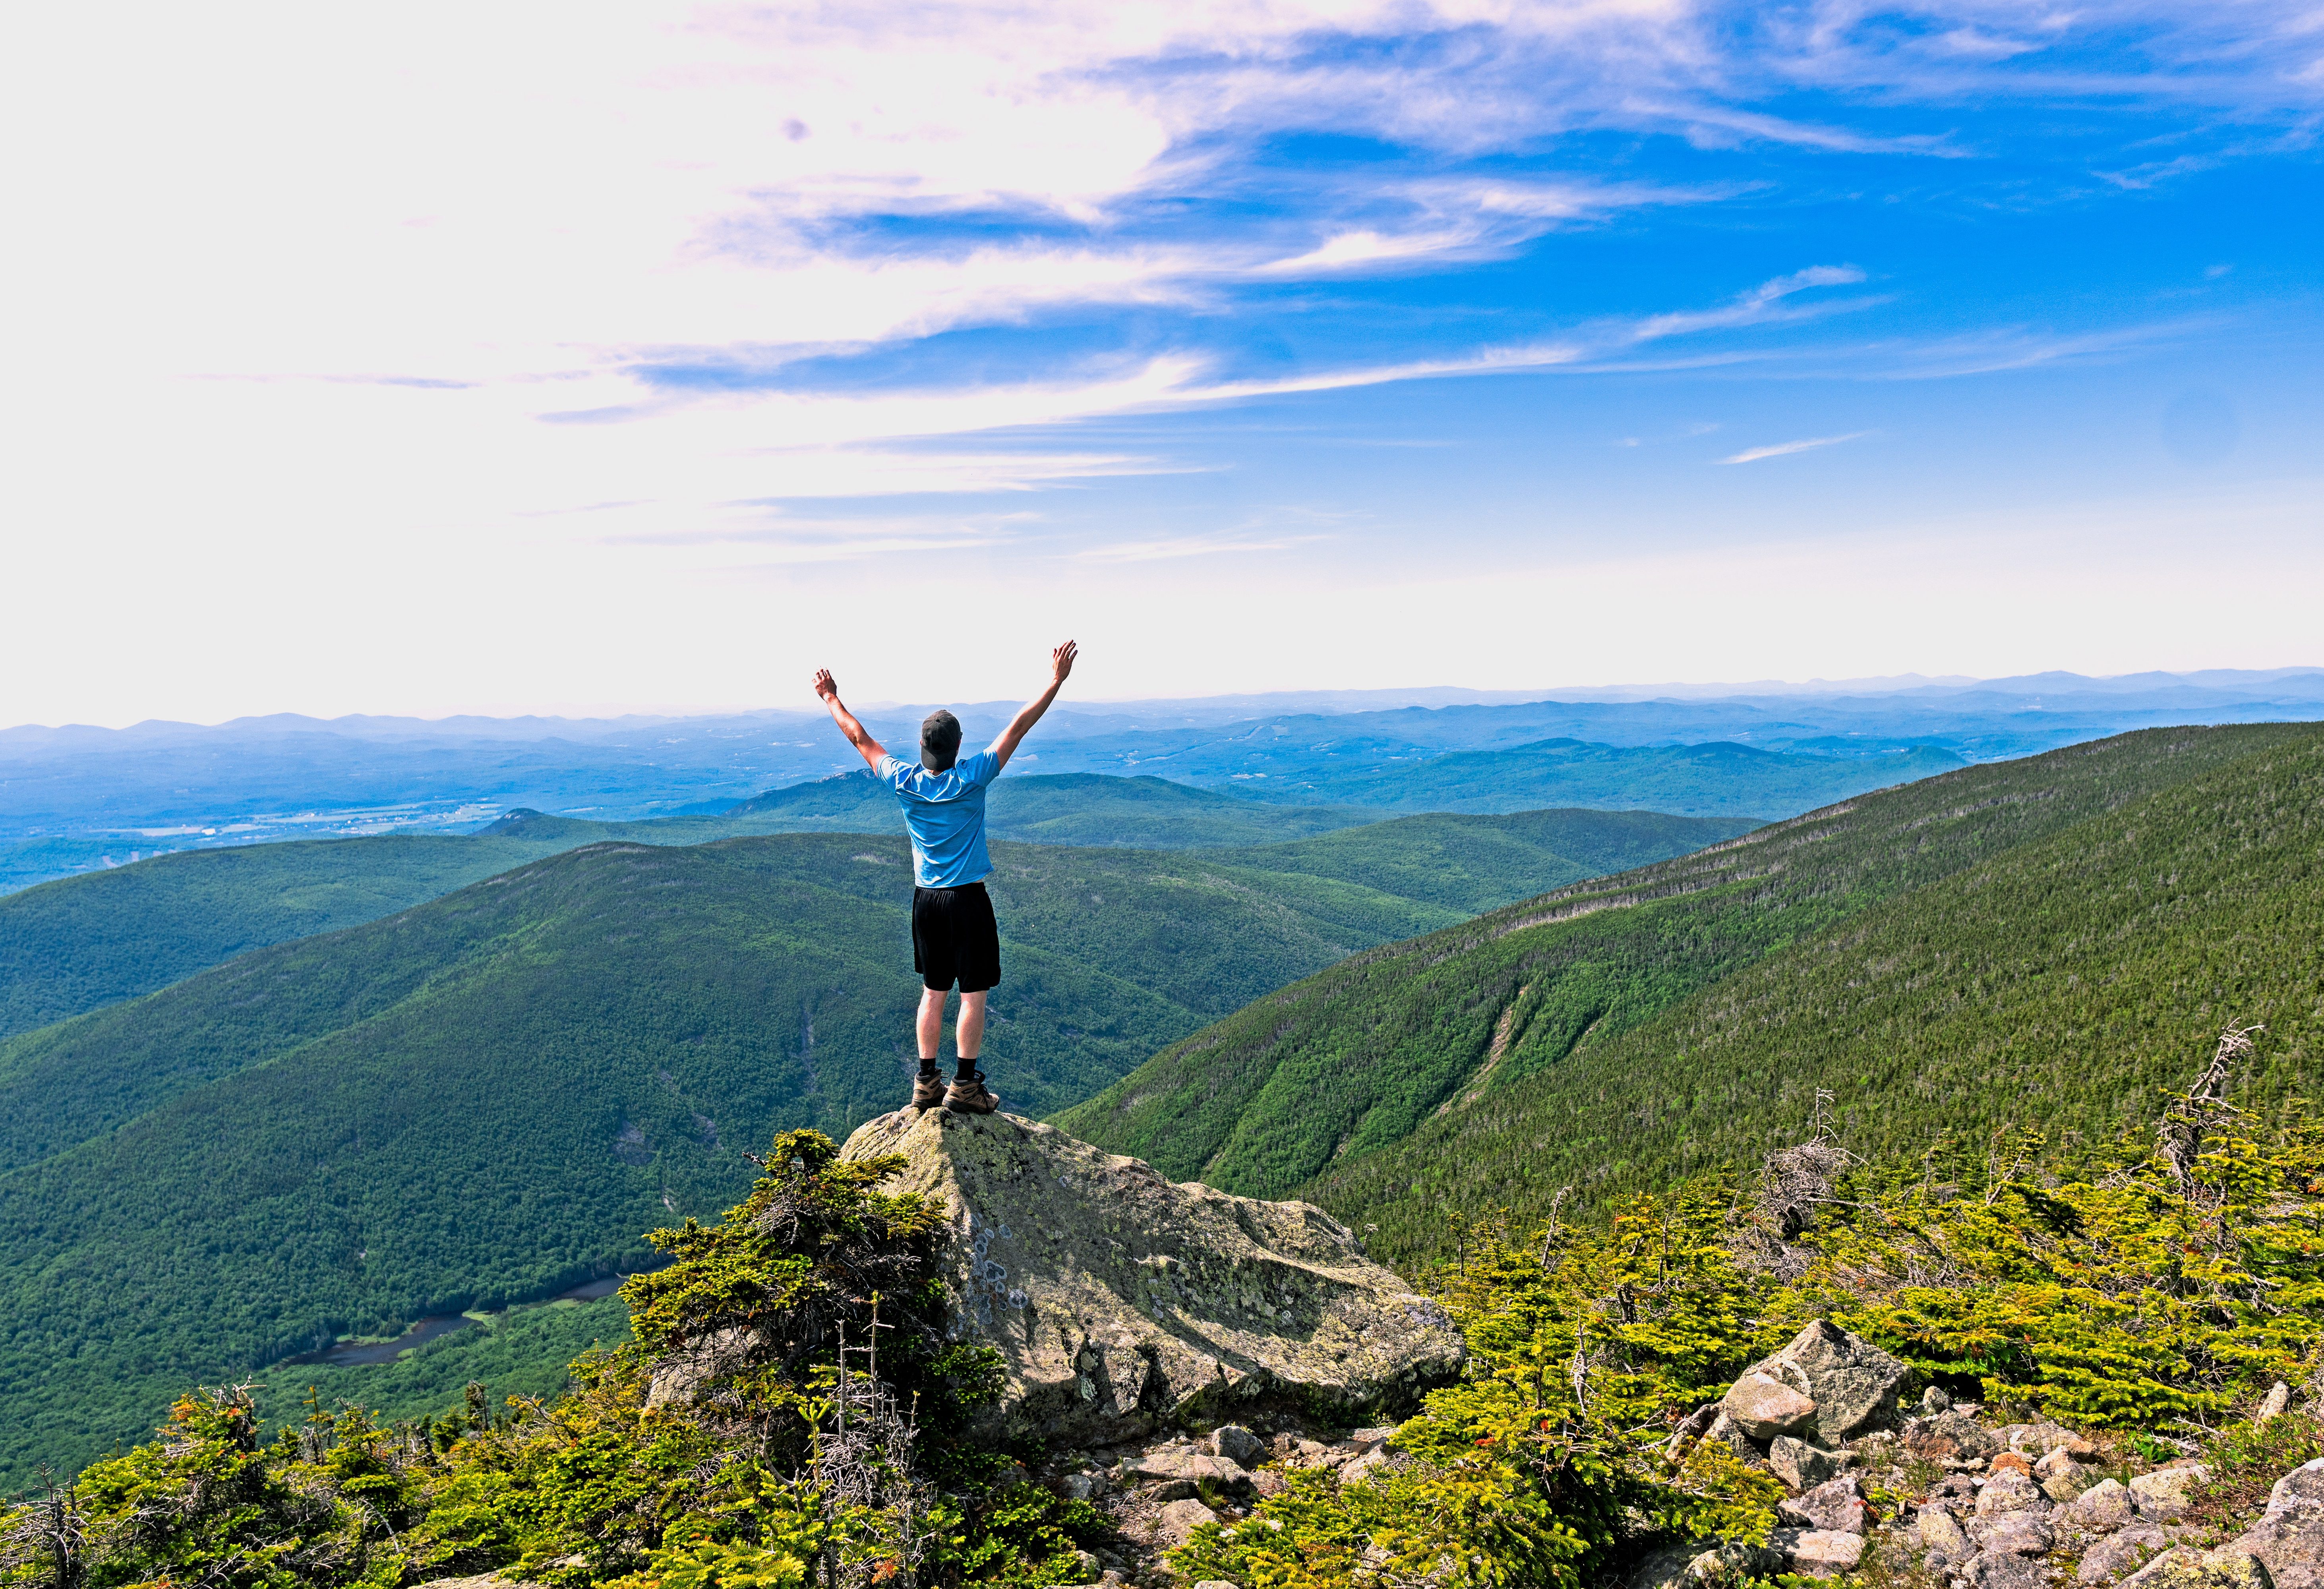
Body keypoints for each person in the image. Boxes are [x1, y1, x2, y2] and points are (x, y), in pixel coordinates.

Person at [811, 640, 1078, 1115]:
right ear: (956, 747)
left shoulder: (904, 780)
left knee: (933, 992)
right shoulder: (972, 777)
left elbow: (859, 738)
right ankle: (964, 1085)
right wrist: (1055, 680)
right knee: (973, 994)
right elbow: (1018, 727)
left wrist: (831, 696)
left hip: (926, 901)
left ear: (922, 748)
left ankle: (925, 1082)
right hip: (968, 900)